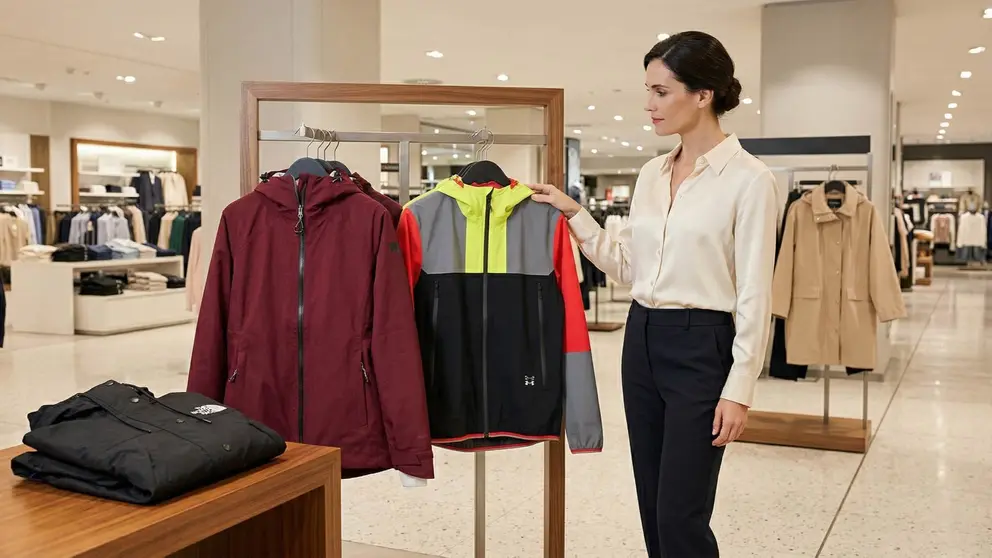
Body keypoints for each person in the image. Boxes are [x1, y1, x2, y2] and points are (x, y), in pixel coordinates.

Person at [531, 31, 779, 558]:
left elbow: (756, 293)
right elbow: (629, 266)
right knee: (650, 500)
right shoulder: (651, 174)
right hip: (642, 339)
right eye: (648, 90)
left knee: (680, 512)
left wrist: (740, 387)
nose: (649, 104)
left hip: (703, 345)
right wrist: (577, 217)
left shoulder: (750, 180)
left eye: (661, 91)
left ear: (703, 94)